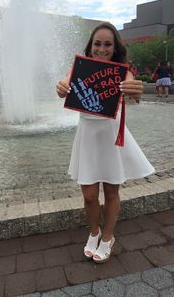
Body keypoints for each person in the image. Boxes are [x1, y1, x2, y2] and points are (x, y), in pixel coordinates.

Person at [56, 22, 155, 263]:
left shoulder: (123, 71)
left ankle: (108, 237)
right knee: (89, 194)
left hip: (111, 136)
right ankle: (94, 232)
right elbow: (66, 85)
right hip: (87, 136)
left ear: (115, 47)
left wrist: (135, 91)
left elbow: (134, 92)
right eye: (97, 43)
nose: (102, 48)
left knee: (111, 192)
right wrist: (61, 87)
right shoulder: (80, 67)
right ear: (91, 46)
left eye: (107, 44)